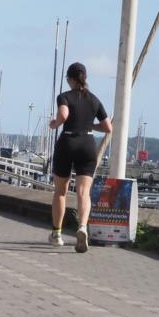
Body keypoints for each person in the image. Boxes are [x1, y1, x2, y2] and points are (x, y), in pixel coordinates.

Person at [47, 62, 112, 252]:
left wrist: (55, 123)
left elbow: (64, 114)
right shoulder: (94, 100)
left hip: (67, 142)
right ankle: (82, 227)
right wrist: (90, 126)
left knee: (61, 191)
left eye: (68, 79)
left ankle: (57, 234)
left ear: (71, 79)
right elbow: (108, 127)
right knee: (84, 192)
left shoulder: (65, 96)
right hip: (87, 144)